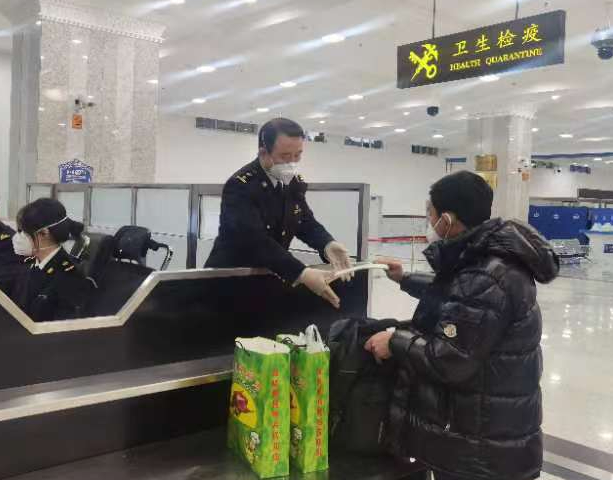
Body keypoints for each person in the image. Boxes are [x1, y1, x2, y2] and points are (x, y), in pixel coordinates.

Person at [366, 171, 559, 480]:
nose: (428, 221)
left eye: (430, 213)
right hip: (491, 432)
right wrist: (404, 278)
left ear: (447, 219)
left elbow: (449, 358)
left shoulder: (485, 275)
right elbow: (458, 297)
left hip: (481, 450)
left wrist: (394, 341)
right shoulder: (488, 259)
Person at [205, 118, 353, 308]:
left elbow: (304, 220)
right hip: (230, 279)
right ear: (263, 153)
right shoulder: (241, 186)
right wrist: (301, 272)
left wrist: (327, 244)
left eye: (297, 155)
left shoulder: (293, 183)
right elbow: (253, 240)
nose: (292, 163)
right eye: (285, 156)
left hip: (268, 275)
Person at [10, 198, 94, 322]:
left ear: (44, 233)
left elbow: (63, 326)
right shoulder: (29, 266)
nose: (18, 237)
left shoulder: (69, 275)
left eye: (23, 232)